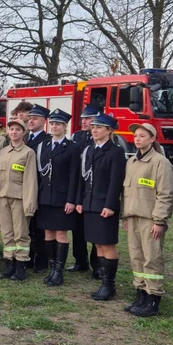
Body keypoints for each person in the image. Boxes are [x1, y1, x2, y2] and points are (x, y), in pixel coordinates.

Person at [121, 123, 173, 317]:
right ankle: (140, 294)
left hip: (150, 220)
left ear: (152, 139)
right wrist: (125, 215)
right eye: (136, 136)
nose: (138, 139)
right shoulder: (131, 162)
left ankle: (153, 298)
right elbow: (126, 192)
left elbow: (165, 194)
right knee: (136, 257)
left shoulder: (161, 162)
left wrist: (159, 221)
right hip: (133, 217)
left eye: (142, 136)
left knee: (152, 258)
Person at [76, 114, 126, 301]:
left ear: (110, 130)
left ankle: (109, 284)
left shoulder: (115, 151)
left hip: (104, 203)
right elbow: (84, 177)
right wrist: (81, 201)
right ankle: (103, 281)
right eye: (94, 126)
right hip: (90, 202)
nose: (94, 129)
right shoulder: (89, 150)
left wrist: (111, 205)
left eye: (99, 127)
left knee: (107, 243)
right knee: (97, 243)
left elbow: (115, 181)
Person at [36, 109, 80, 287]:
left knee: (61, 233)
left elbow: (74, 176)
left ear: (65, 127)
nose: (54, 126)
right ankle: (52, 268)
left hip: (62, 198)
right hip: (45, 196)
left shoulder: (72, 147)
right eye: (52, 123)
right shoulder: (44, 146)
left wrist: (71, 200)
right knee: (48, 233)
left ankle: (59, 271)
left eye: (58, 124)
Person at [0, 118, 39, 280]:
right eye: (11, 129)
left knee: (20, 234)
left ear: (24, 133)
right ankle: (9, 264)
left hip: (19, 198)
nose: (14, 132)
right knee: (7, 232)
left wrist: (29, 203)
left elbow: (30, 180)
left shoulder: (28, 153)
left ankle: (21, 265)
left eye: (17, 130)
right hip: (3, 197)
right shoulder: (3, 152)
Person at [66, 106, 100, 276]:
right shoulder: (77, 136)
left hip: (95, 188)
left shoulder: (100, 138)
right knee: (77, 228)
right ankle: (80, 261)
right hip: (80, 185)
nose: (85, 122)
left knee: (95, 230)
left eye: (89, 118)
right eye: (83, 119)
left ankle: (98, 265)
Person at [25, 105, 52, 271]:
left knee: (39, 227)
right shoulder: (24, 137)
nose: (31, 120)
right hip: (23, 187)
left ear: (43, 121)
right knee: (26, 226)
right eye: (30, 117)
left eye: (35, 118)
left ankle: (42, 260)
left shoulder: (46, 140)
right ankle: (27, 257)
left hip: (39, 187)